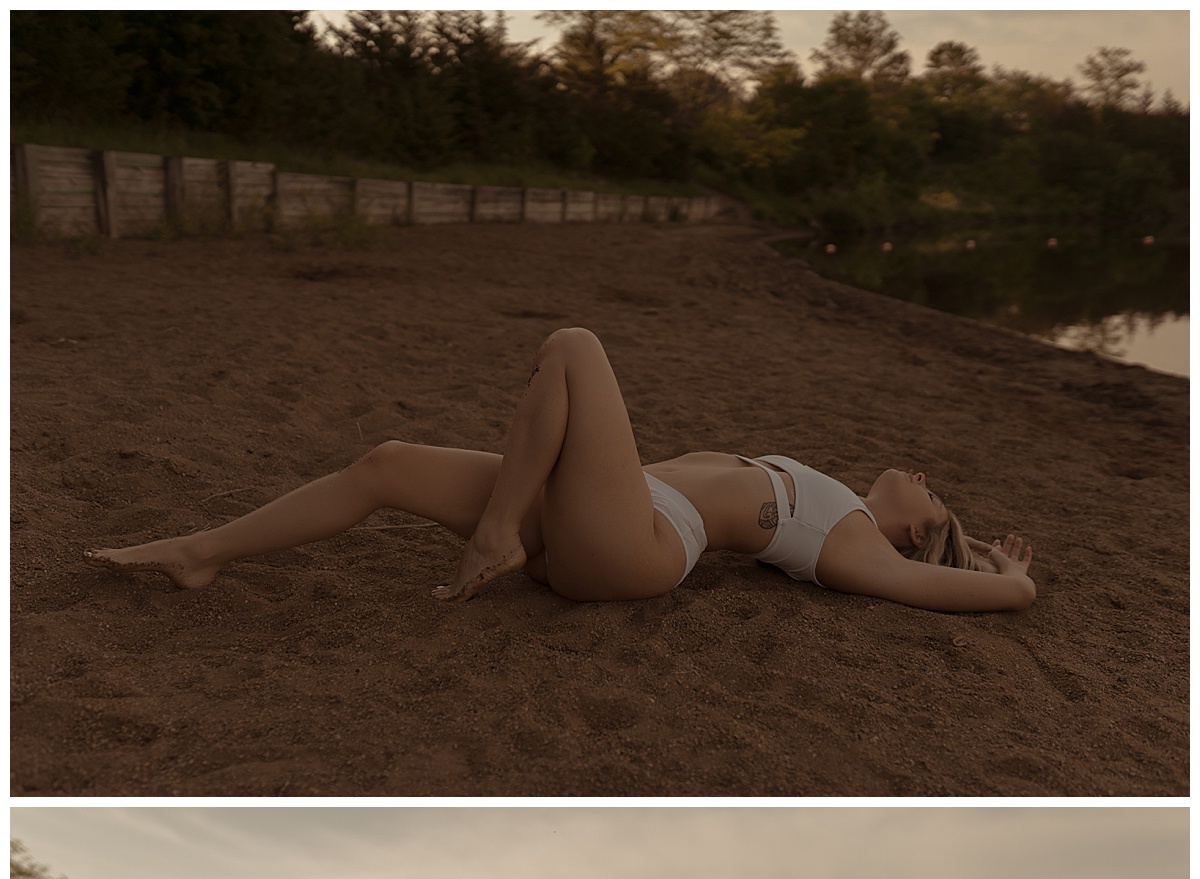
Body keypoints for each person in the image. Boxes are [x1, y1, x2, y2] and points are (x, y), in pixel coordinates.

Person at [86, 327, 1034, 612]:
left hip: (640, 549)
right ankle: (199, 552)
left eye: (934, 493)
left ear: (913, 530)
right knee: (385, 463)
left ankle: (498, 533)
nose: (921, 473)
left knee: (576, 346)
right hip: (590, 518)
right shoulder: (844, 502)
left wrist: (1011, 578)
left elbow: (954, 593)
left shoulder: (861, 542)